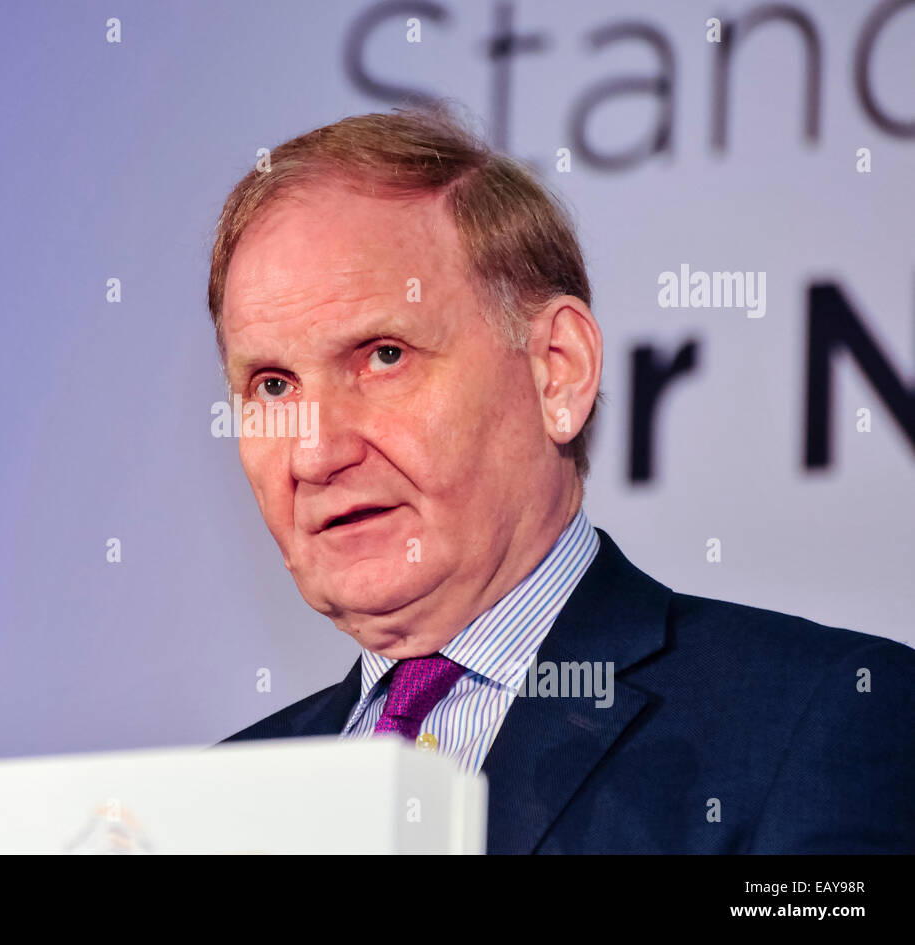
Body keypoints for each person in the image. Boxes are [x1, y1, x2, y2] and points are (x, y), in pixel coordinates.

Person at [208, 104, 915, 854]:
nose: (315, 453)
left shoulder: (817, 721)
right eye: (273, 387)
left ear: (559, 373)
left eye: (384, 355)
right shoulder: (214, 803)